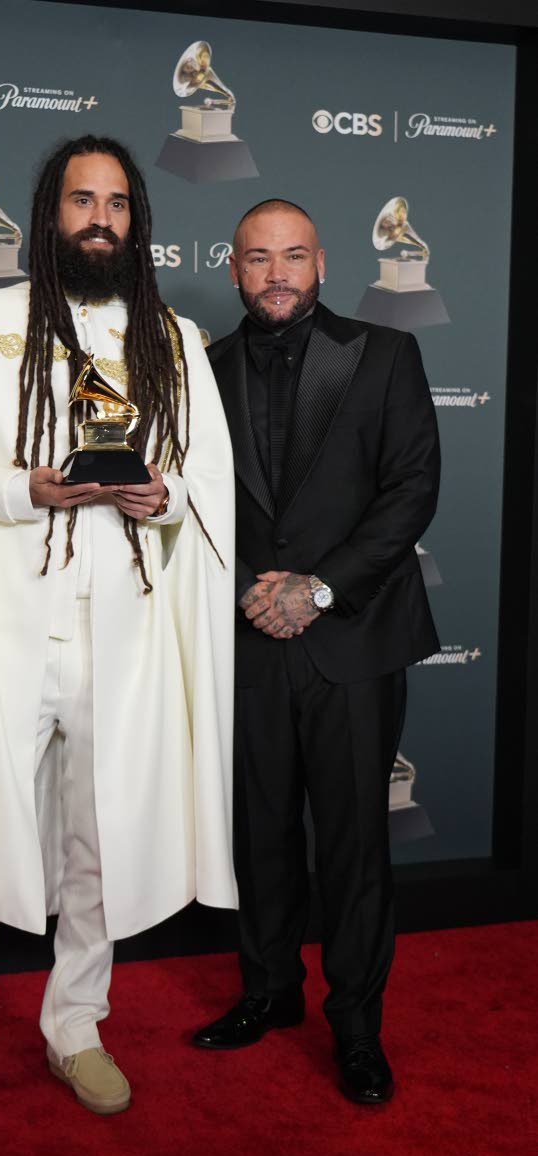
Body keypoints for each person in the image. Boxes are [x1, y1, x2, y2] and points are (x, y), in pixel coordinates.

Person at [0, 135, 236, 1136]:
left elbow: (204, 482)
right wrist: (25, 489)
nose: (99, 218)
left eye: (116, 202)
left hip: (126, 632)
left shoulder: (173, 339)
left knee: (99, 833)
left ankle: (76, 1025)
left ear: (137, 220)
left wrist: (158, 496)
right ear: (48, 215)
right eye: (80, 200)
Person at [193, 199, 440, 1105]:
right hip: (248, 636)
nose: (277, 274)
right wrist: (254, 592)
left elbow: (411, 488)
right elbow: (189, 502)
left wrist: (319, 588)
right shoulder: (201, 369)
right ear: (233, 268)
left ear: (323, 263)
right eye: (258, 258)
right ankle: (269, 992)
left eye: (293, 256)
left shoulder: (385, 354)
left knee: (353, 844)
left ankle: (358, 1029)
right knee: (259, 835)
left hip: (353, 638)